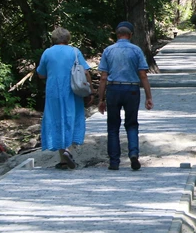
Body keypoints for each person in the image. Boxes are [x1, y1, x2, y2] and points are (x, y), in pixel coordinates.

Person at [96, 22, 154, 171]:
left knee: (113, 126)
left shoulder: (108, 51)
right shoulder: (136, 50)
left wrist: (100, 99)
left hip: (113, 89)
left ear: (117, 34)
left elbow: (103, 77)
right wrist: (149, 96)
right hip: (132, 89)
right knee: (132, 123)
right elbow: (143, 75)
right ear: (131, 35)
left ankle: (114, 162)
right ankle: (133, 154)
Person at [36, 27, 91, 169]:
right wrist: (90, 90)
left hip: (53, 91)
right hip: (72, 90)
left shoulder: (47, 53)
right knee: (73, 118)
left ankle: (63, 160)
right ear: (67, 38)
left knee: (58, 120)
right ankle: (68, 150)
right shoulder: (75, 52)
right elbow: (85, 71)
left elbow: (41, 74)